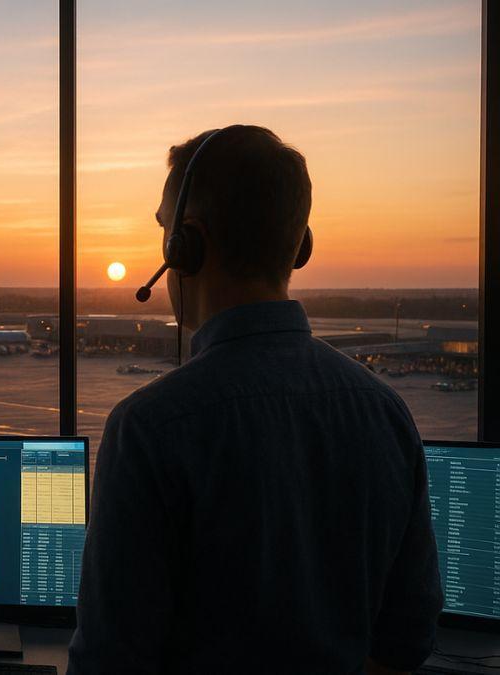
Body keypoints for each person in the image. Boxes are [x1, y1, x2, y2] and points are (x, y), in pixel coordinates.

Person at [67, 125, 443, 673]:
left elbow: (107, 662)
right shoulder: (385, 412)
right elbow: (408, 640)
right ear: (299, 246)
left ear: (185, 247)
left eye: (164, 232)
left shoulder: (149, 428)